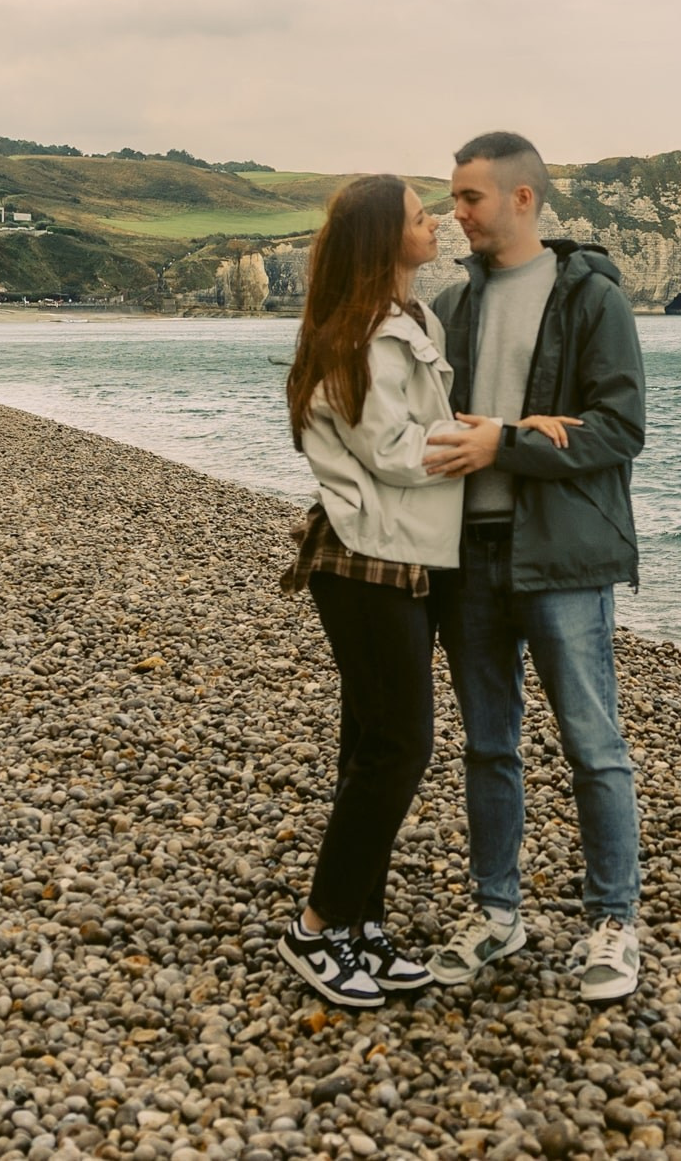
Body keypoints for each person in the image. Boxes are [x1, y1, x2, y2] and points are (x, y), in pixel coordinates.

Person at [421, 130, 647, 1004]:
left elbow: (621, 430)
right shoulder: (454, 305)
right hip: (468, 556)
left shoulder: (593, 300)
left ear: (523, 198)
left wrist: (508, 441)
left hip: (562, 558)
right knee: (487, 745)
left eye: (469, 198)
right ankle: (496, 912)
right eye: (452, 198)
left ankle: (615, 923)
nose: (456, 213)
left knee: (594, 745)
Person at [277, 172, 460, 1011]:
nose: (438, 225)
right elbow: (394, 450)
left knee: (372, 745)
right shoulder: (362, 336)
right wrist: (499, 439)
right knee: (398, 748)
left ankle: (362, 924)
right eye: (423, 217)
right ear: (387, 238)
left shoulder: (406, 320)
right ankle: (316, 928)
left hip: (396, 556)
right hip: (361, 561)